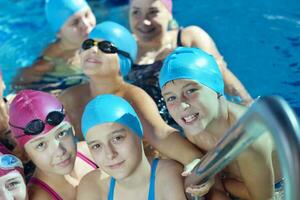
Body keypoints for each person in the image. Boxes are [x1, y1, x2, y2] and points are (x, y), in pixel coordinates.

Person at [59, 21, 203, 168]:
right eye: (88, 44)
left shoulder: (133, 98)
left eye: (106, 47)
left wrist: (194, 160)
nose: (93, 50)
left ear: (124, 62)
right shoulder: (69, 98)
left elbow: (160, 133)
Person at [159, 47, 280, 199]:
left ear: (216, 88)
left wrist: (219, 180)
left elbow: (263, 198)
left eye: (190, 91)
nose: (182, 106)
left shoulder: (247, 139)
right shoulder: (194, 120)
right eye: (171, 98)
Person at [126, 0, 252, 125]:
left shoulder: (188, 38)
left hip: (196, 120)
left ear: (169, 13)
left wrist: (248, 106)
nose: (144, 21)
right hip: (155, 130)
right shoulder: (123, 51)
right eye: (136, 12)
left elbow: (221, 77)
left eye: (153, 12)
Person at [77, 94, 187, 199]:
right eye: (97, 146)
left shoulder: (169, 175)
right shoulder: (92, 186)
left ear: (138, 131)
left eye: (117, 138)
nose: (110, 154)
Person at [8, 90, 99, 200]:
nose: (60, 151)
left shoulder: (90, 152)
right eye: (41, 145)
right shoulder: (40, 197)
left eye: (61, 133)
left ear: (73, 128)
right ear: (25, 154)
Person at [12, 0, 96, 94]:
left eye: (87, 14)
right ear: (59, 33)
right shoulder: (51, 59)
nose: (86, 24)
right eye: (75, 22)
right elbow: (19, 86)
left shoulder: (94, 38)